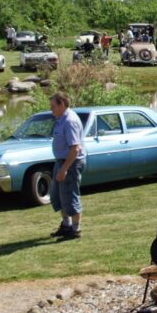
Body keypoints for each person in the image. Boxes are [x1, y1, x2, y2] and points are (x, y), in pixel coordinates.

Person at [48, 92, 86, 240]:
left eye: (53, 107)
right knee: (58, 195)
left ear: (61, 104)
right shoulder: (60, 119)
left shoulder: (70, 121)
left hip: (70, 163)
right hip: (61, 162)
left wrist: (64, 169)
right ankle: (66, 225)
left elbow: (75, 149)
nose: (51, 110)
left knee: (70, 195)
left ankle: (75, 230)